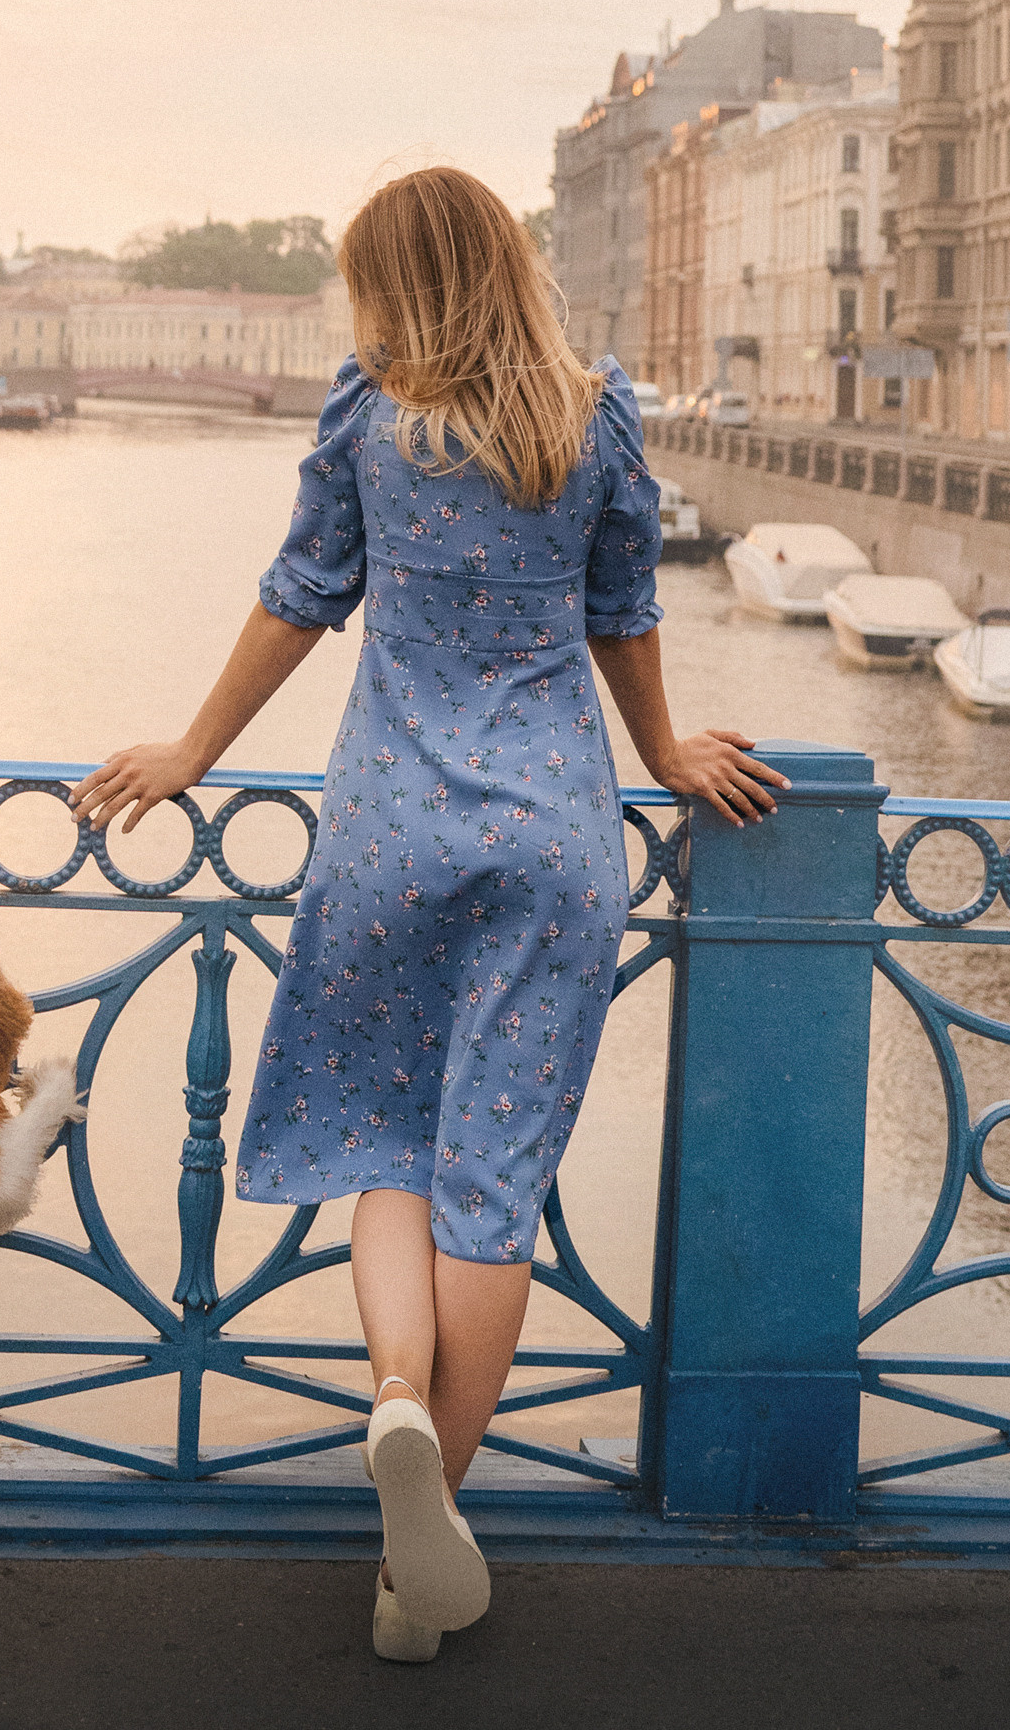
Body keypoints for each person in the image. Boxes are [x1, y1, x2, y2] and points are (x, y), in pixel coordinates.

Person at [71, 168, 785, 1663]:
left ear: (393, 288)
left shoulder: (367, 418)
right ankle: (417, 1563)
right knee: (493, 1183)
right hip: (555, 842)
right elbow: (627, 616)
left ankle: (396, 1392)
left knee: (386, 1141)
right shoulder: (594, 415)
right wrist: (666, 758)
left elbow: (299, 594)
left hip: (392, 832)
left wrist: (190, 752)